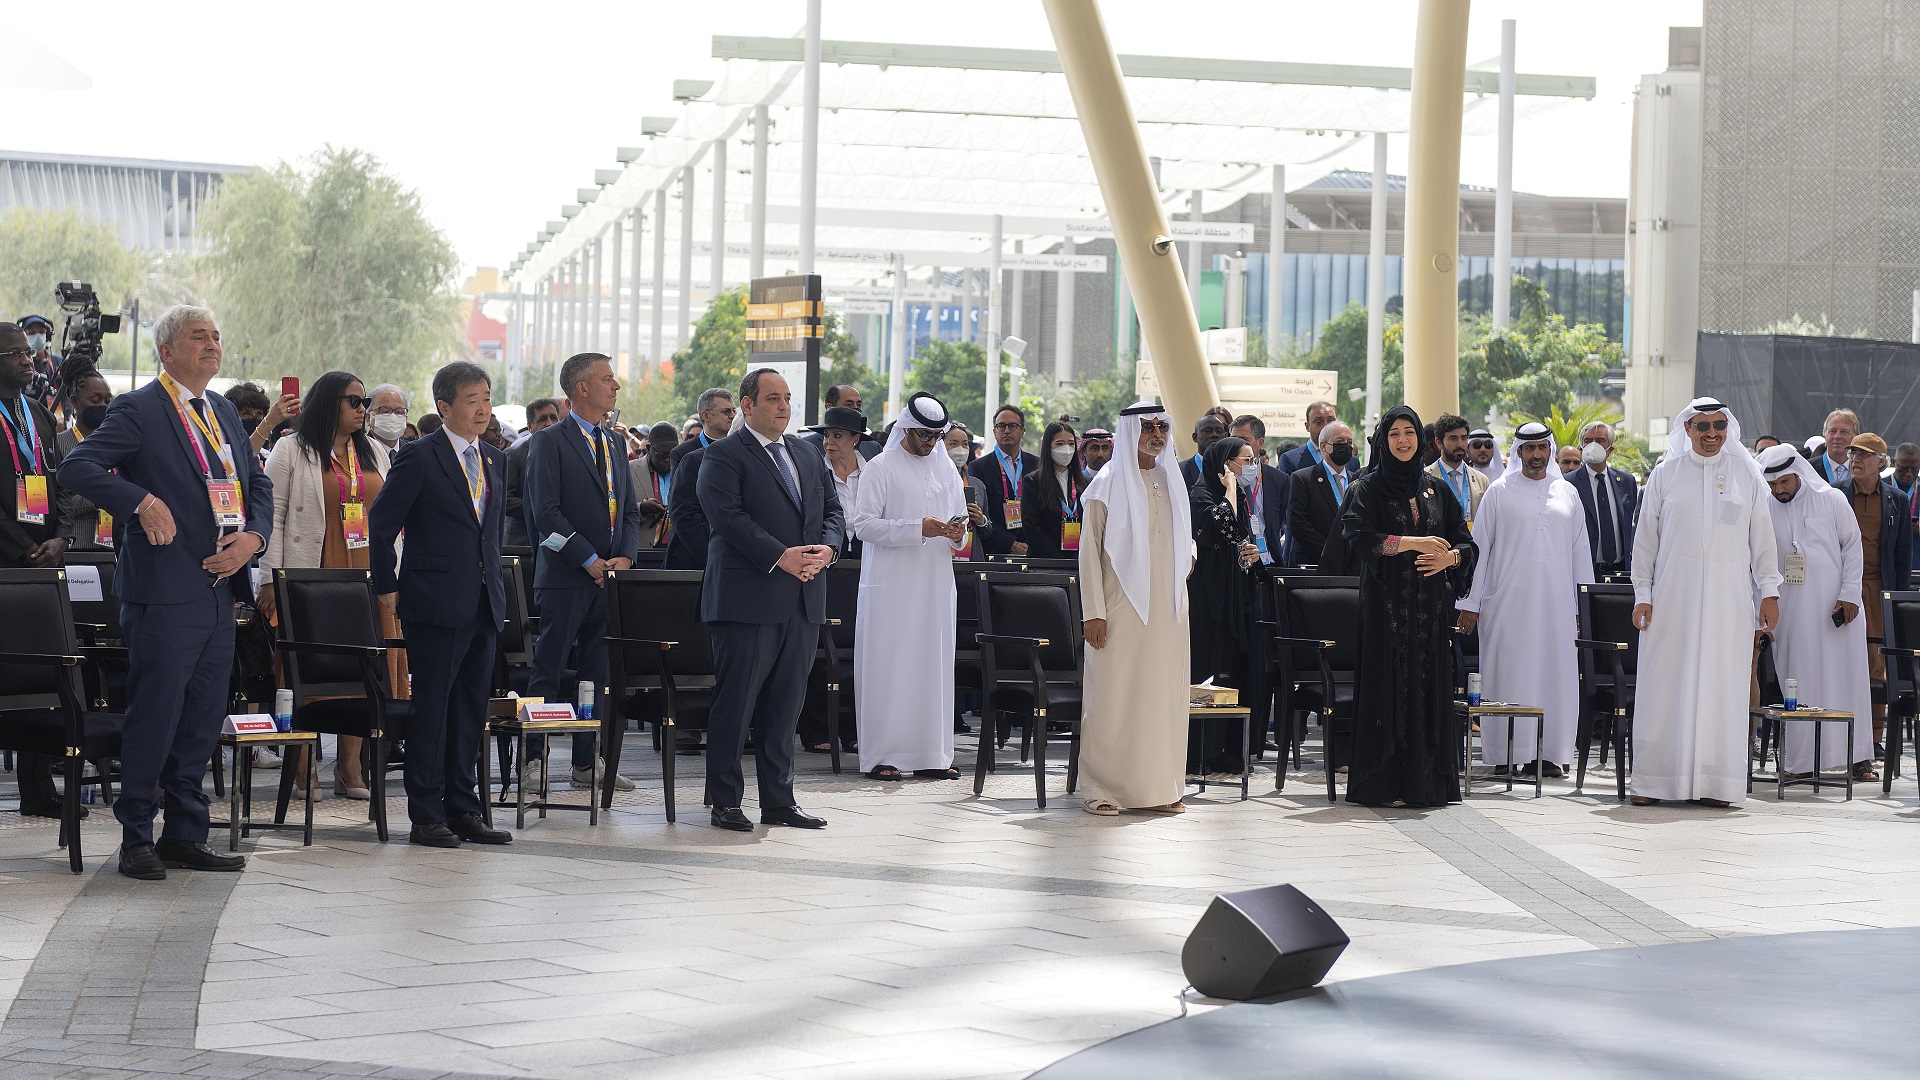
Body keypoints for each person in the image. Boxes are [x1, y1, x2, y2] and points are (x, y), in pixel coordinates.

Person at [58, 305, 272, 879]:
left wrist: (253, 537)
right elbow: (77, 469)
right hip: (163, 589)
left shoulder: (222, 409)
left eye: (216, 336)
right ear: (167, 351)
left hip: (219, 589)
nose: (211, 344)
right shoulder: (138, 409)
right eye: (197, 337)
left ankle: (185, 832)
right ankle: (135, 838)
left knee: (203, 717)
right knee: (156, 715)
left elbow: (258, 484)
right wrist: (140, 502)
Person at [366, 360, 511, 848]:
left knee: (470, 711)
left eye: (487, 399)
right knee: (432, 710)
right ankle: (426, 814)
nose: (483, 410)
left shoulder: (494, 458)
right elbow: (381, 524)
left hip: (484, 601)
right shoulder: (420, 456)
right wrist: (387, 585)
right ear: (444, 406)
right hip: (434, 602)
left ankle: (464, 807)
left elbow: (488, 533)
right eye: (472, 401)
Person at [696, 368, 842, 831]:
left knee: (785, 705)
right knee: (736, 703)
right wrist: (779, 556)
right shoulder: (723, 455)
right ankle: (725, 801)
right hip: (748, 597)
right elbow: (727, 518)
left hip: (803, 597)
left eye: (787, 398)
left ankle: (779, 800)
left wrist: (828, 548)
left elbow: (833, 511)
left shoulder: (806, 451)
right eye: (772, 398)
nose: (783, 406)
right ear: (747, 404)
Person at [1629, 399, 1781, 807]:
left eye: (1718, 426)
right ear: (1688, 429)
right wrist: (1642, 594)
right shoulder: (1666, 475)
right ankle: (1652, 781)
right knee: (1664, 686)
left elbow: (1763, 543)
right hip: (1671, 602)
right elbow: (1645, 543)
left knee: (1722, 687)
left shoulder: (1745, 476)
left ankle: (1717, 784)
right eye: (1702, 426)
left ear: (1727, 428)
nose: (1711, 434)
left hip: (1728, 604)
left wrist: (1769, 592)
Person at [257, 370, 399, 800]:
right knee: (310, 672)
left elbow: (391, 521)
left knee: (365, 671)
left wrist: (395, 575)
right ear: (327, 403)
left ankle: (350, 767)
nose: (363, 410)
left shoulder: (374, 451)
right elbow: (274, 516)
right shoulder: (291, 450)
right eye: (354, 401)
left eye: (364, 402)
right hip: (311, 572)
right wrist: (269, 578)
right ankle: (304, 768)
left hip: (367, 573)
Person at [1341, 406, 1477, 807]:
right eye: (1395, 433)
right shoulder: (1368, 488)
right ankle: (1385, 785)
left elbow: (1466, 542)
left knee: (1427, 691)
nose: (1403, 441)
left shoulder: (1436, 489)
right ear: (1383, 439)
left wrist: (1448, 559)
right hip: (1386, 613)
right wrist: (1413, 543)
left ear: (1421, 439)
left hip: (1429, 615)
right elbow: (1360, 536)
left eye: (1410, 434)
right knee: (1388, 690)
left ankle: (1426, 785)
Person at [523, 352, 642, 793]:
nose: (615, 386)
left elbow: (628, 510)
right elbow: (546, 513)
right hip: (566, 575)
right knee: (549, 667)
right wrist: (588, 558)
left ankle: (586, 760)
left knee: (597, 672)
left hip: (609, 576)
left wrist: (624, 556)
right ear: (582, 388)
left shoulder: (613, 442)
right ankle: (533, 760)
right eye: (607, 379)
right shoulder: (549, 441)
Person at [1454, 423, 1592, 778]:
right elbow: (1479, 550)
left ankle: (1548, 754)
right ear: (1518, 452)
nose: (1535, 455)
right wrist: (1470, 604)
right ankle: (1503, 753)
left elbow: (1581, 557)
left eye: (1542, 448)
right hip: (1507, 606)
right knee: (1509, 675)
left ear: (1550, 450)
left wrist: (1584, 609)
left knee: (1555, 675)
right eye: (1528, 449)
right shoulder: (1499, 492)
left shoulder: (1567, 494)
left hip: (1558, 608)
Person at [1077, 403, 1192, 815]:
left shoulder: (1169, 477)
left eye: (1162, 425)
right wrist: (1093, 611)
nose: (1156, 433)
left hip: (1168, 610)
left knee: (1164, 695)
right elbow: (1087, 553)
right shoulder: (1106, 484)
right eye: (1147, 427)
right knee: (1116, 696)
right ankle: (1102, 789)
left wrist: (1189, 554)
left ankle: (1159, 788)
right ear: (1129, 431)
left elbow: (1184, 534)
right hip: (1118, 607)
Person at [847, 392, 966, 783]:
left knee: (932, 664)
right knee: (891, 666)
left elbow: (958, 532)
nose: (929, 444)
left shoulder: (946, 469)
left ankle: (933, 753)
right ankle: (883, 754)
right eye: (922, 436)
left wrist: (958, 531)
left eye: (936, 437)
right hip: (892, 587)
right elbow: (862, 525)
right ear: (905, 428)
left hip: (934, 584)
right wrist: (917, 528)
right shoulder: (880, 467)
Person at [1757, 444, 1876, 780]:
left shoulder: (1831, 498)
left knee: (1847, 680)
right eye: (1772, 485)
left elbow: (1852, 546)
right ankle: (1800, 763)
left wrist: (1850, 593)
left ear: (1798, 473)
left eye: (1784, 482)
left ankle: (1857, 759)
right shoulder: (1764, 508)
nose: (1779, 490)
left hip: (1837, 609)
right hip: (1790, 612)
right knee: (1798, 683)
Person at [1, 322, 77, 818]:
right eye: (14, 353)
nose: (28, 360)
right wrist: (21, 544)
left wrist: (60, 540)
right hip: (7, 559)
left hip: (43, 561)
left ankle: (37, 787)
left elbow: (64, 485)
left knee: (43, 671)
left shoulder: (39, 417)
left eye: (27, 353)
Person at [1187, 435, 1265, 776]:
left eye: (1253, 460)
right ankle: (1197, 752)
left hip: (1236, 597)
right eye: (1245, 461)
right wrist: (1231, 490)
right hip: (1207, 601)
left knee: (1233, 669)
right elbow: (1219, 527)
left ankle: (1227, 750)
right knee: (1206, 669)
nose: (1251, 467)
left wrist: (1252, 552)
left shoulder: (1242, 499)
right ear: (1224, 465)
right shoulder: (1201, 494)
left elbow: (1241, 538)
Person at [1840, 431, 1911, 758]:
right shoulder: (1836, 494)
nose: (1855, 459)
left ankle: (1874, 739)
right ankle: (1838, 739)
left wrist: (1898, 602)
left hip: (1878, 590)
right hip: (1841, 589)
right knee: (1839, 661)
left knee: (1877, 666)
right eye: (1853, 453)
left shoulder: (1896, 499)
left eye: (1863, 454)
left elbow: (1901, 555)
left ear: (1880, 462)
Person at [55, 358, 115, 551]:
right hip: (74, 549)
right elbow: (55, 505)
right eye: (95, 400)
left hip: (115, 549)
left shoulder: (119, 445)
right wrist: (104, 494)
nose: (103, 406)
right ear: (75, 402)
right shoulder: (58, 444)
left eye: (108, 400)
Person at [1567, 420, 1640, 577]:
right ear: (1581, 447)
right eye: (1588, 441)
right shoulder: (1568, 483)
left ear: (1610, 449)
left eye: (1600, 441)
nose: (1593, 445)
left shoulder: (1626, 482)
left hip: (1622, 570)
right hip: (1586, 570)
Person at [968, 404, 1039, 556]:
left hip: (1032, 551)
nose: (1006, 430)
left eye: (1012, 426)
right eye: (1001, 426)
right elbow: (980, 514)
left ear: (1022, 431)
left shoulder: (1037, 465)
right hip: (994, 552)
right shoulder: (978, 467)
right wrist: (1011, 544)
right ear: (994, 432)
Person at [1284, 420, 1356, 566]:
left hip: (1351, 565)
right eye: (1340, 441)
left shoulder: (1357, 480)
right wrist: (1330, 553)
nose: (1346, 446)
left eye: (1349, 442)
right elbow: (1298, 523)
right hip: (1315, 562)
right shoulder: (1303, 478)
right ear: (1323, 446)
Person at [1019, 419, 1087, 561]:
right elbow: (1031, 527)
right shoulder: (1033, 481)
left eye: (1071, 444)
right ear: (1048, 447)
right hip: (1044, 561)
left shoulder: (1084, 482)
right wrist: (1057, 558)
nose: (1066, 449)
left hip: (1079, 560)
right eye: (1060, 444)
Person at [809, 407, 869, 562]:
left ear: (855, 438)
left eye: (838, 436)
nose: (829, 442)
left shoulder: (872, 473)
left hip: (867, 558)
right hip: (826, 560)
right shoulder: (814, 472)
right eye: (826, 435)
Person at [504, 397, 561, 547]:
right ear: (530, 426)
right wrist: (539, 509)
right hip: (522, 541)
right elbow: (504, 499)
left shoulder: (566, 454)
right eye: (542, 419)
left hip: (556, 542)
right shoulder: (514, 455)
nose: (549, 423)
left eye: (554, 417)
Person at [1231, 415, 1287, 565]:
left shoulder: (1279, 480)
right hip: (1235, 564)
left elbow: (1281, 519)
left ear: (1260, 443)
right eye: (1233, 440)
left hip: (1269, 562)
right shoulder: (1224, 477)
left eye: (1244, 440)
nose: (1237, 446)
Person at [1426, 413, 1488, 526]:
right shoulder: (1425, 477)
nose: (1460, 444)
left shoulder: (1481, 480)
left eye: (1463, 438)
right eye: (1453, 439)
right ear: (1439, 442)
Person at [628, 421, 679, 551]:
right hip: (642, 551)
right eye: (662, 455)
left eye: (672, 454)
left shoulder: (685, 470)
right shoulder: (628, 470)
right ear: (649, 448)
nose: (667, 459)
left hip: (678, 552)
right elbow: (618, 510)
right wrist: (642, 508)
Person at [799, 384, 881, 460]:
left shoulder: (873, 448)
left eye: (859, 405)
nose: (856, 409)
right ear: (830, 407)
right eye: (849, 405)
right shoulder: (806, 447)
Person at [945, 425, 990, 561]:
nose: (960, 449)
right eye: (953, 444)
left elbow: (988, 532)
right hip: (942, 558)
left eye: (965, 444)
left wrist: (981, 520)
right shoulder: (932, 483)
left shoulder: (977, 485)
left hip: (972, 561)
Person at [670, 387, 735, 470]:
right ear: (706, 416)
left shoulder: (739, 448)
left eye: (734, 411)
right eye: (726, 411)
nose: (733, 416)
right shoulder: (682, 453)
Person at [1275, 400, 1336, 478]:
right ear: (1307, 426)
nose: (1326, 426)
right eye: (1319, 422)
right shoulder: (1291, 460)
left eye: (1331, 421)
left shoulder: (1350, 461)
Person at [17, 314, 59, 413]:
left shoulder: (59, 362)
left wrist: (65, 418)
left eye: (41, 332)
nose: (38, 336)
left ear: (47, 335)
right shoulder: (20, 364)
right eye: (32, 332)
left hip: (58, 420)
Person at [1892, 442, 1920, 578]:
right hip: (1890, 560)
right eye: (1903, 469)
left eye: (1914, 470)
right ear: (1893, 462)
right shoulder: (1879, 486)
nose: (1909, 474)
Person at [1180, 413, 1228, 488]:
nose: (1214, 435)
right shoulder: (1181, 470)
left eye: (1219, 431)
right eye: (1208, 431)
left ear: (1225, 437)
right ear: (1195, 437)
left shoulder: (1233, 468)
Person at [1814, 408, 1859, 486]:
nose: (1837, 436)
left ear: (1855, 437)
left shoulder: (1863, 470)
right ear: (1824, 435)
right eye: (1832, 431)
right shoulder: (1809, 469)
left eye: (1844, 432)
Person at [367, 384, 414, 453]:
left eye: (399, 412)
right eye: (385, 411)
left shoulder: (412, 452)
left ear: (406, 418)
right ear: (368, 417)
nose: (393, 416)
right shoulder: (357, 451)